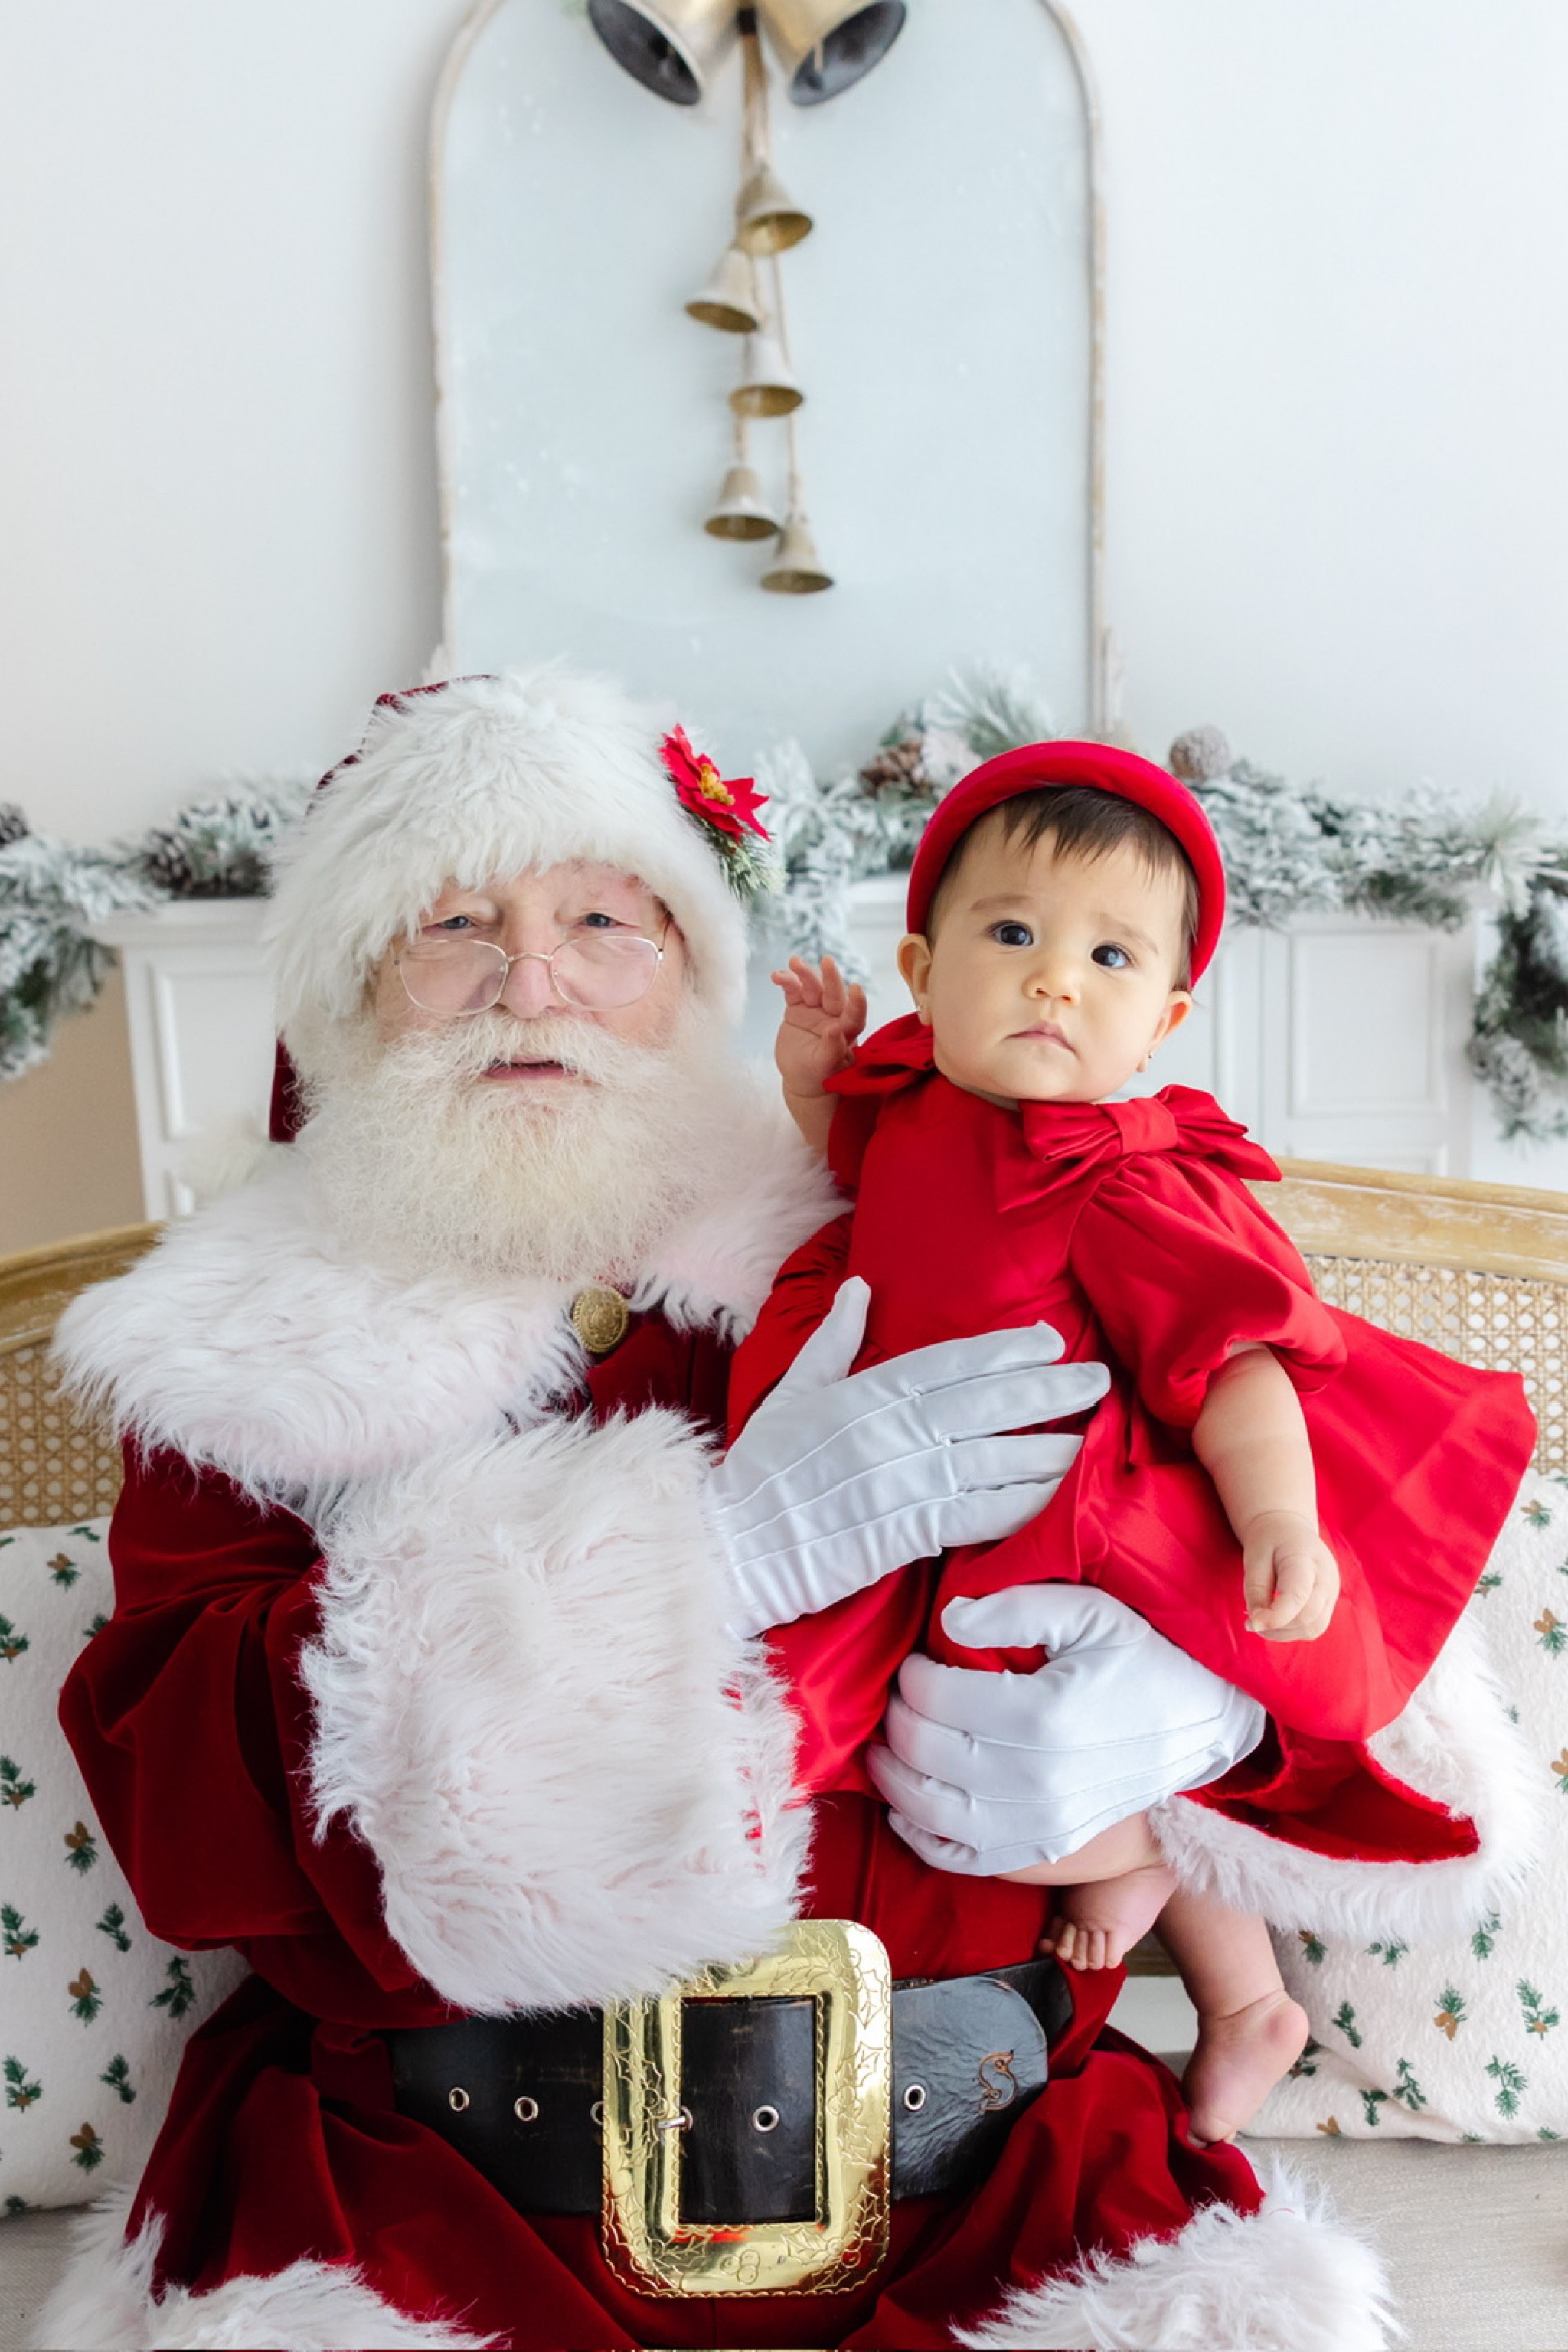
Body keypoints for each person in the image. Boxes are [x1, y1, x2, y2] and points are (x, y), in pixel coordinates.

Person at [40, 671, 1458, 2351]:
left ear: (692, 971)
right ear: (351, 987)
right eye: (451, 923)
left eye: (603, 920)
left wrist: (1195, 1717)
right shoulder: (240, 1354)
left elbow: (1341, 1483)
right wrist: (691, 1567)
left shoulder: (927, 1209)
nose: (532, 979)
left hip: (1015, 2204)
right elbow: (181, 1793)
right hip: (436, 2215)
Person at [740, 739, 1536, 2148]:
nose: (1056, 977)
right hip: (912, 1483)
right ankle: (1196, 1968)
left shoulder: (1117, 1178)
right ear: (922, 974)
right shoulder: (921, 1101)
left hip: (1071, 1513)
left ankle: (1223, 1981)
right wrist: (812, 1079)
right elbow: (853, 1176)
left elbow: (1239, 1366)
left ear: (1164, 1019)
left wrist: (1279, 1518)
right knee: (924, 1743)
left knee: (1069, 1747)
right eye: (1012, 934)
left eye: (1110, 958)